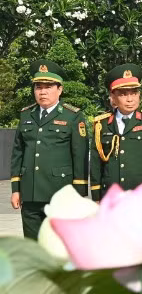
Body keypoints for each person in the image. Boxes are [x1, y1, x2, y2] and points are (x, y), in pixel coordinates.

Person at [10, 60, 89, 239]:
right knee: (33, 248)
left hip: (59, 193)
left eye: (48, 87)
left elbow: (80, 156)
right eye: (38, 87)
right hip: (30, 192)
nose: (42, 92)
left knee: (59, 246)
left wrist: (79, 194)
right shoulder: (26, 115)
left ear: (59, 89)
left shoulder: (72, 116)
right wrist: (16, 189)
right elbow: (17, 153)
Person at [90, 64, 142, 199]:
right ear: (112, 96)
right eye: (123, 94)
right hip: (111, 195)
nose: (130, 99)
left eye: (134, 93)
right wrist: (96, 196)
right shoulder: (101, 124)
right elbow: (96, 164)